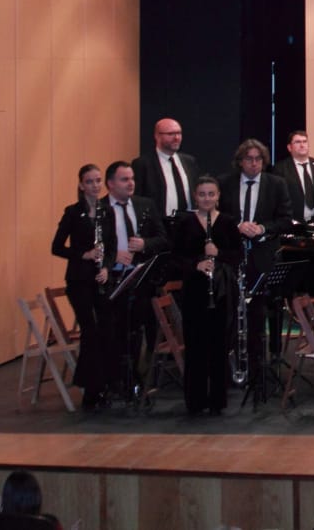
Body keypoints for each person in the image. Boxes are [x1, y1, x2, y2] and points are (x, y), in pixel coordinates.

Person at [220, 138, 296, 390]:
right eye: (249, 159)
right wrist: (236, 226)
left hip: (262, 256)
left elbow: (285, 220)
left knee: (257, 314)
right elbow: (217, 216)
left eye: (258, 159)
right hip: (233, 257)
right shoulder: (225, 183)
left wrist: (262, 228)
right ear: (240, 161)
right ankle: (233, 368)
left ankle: (258, 368)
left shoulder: (276, 184)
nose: (254, 163)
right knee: (231, 313)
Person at [95, 159, 169, 406]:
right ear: (110, 184)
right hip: (111, 280)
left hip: (138, 280)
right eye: (124, 179)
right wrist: (113, 254)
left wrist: (145, 244)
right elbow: (92, 245)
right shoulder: (99, 208)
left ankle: (134, 380)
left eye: (132, 179)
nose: (131, 184)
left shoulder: (144, 205)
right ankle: (112, 382)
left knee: (137, 333)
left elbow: (163, 238)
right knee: (112, 333)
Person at [172, 174, 243, 415]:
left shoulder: (227, 222)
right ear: (195, 196)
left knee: (219, 345)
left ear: (218, 196)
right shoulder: (185, 223)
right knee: (196, 345)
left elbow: (238, 256)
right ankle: (195, 400)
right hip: (194, 291)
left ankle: (217, 401)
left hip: (222, 291)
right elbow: (174, 258)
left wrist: (218, 253)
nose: (206, 198)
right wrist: (196, 264)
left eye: (211, 194)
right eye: (202, 194)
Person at [50, 162, 109, 399]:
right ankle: (89, 387)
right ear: (81, 185)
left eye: (98, 180)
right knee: (90, 330)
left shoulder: (107, 211)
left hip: (100, 278)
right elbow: (56, 247)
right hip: (79, 280)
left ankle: (101, 383)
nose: (95, 186)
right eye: (89, 182)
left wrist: (106, 265)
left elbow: (112, 244)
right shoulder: (73, 212)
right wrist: (83, 254)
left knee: (104, 329)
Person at [132, 117, 202, 227]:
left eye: (179, 133)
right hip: (160, 226)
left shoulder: (189, 162)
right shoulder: (143, 164)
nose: (176, 138)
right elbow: (138, 198)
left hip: (188, 226)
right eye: (170, 134)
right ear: (157, 136)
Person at [275, 130, 314, 228]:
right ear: (289, 147)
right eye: (297, 142)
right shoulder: (280, 168)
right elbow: (277, 198)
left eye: (304, 141)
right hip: (293, 224)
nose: (302, 145)